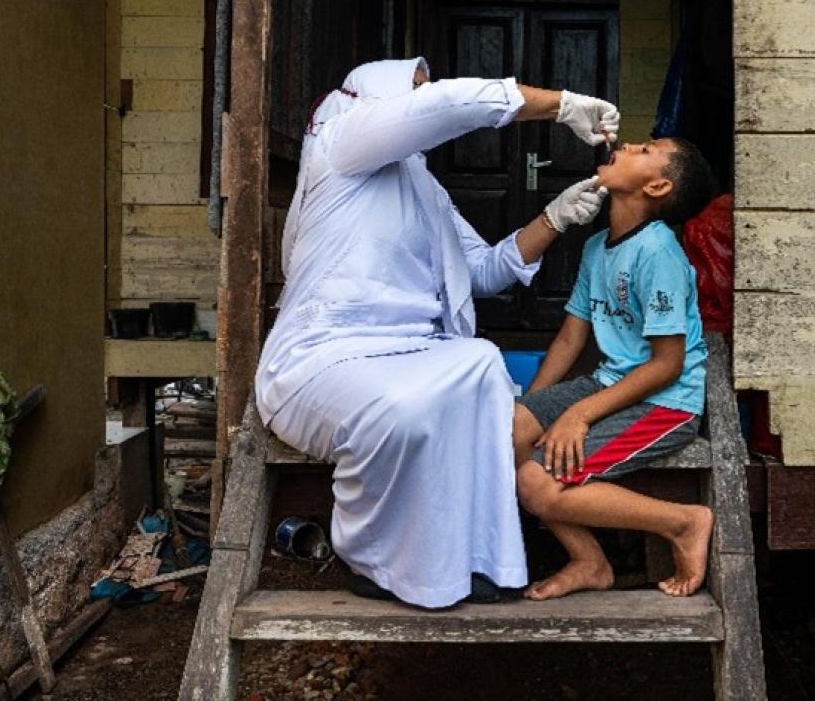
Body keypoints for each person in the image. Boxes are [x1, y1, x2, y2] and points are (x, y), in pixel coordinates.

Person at [255, 57, 618, 609]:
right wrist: (560, 105)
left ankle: (475, 562)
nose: (421, 99)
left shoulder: (422, 188)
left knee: (479, 365)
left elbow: (485, 271)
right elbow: (448, 106)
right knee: (401, 406)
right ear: (376, 92)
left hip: (411, 352)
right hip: (323, 358)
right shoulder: (339, 135)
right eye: (414, 90)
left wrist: (555, 218)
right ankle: (370, 558)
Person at [511, 137, 718, 600]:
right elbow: (570, 338)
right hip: (610, 385)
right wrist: (536, 411)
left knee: (534, 481)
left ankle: (684, 522)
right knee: (503, 432)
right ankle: (589, 560)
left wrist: (577, 415)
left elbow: (668, 365)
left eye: (645, 151)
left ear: (658, 186)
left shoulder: (658, 252)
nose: (627, 145)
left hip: (663, 403)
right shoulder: (598, 247)